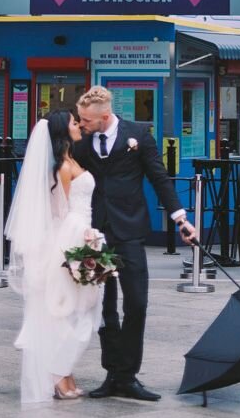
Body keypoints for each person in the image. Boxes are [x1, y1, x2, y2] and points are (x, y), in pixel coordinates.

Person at [73, 85, 198, 402]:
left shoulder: (138, 135)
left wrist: (180, 218)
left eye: (87, 120)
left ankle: (129, 374)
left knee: (137, 303)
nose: (82, 124)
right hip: (94, 233)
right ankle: (113, 373)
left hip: (129, 230)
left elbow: (158, 177)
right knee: (104, 306)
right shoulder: (83, 142)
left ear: (105, 116)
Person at [4, 110, 103, 404]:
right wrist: (82, 239)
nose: (80, 126)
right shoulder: (61, 166)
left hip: (84, 234)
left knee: (80, 311)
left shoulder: (71, 159)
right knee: (70, 312)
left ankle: (63, 372)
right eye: (74, 123)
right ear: (62, 130)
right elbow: (60, 213)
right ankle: (59, 375)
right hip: (70, 240)